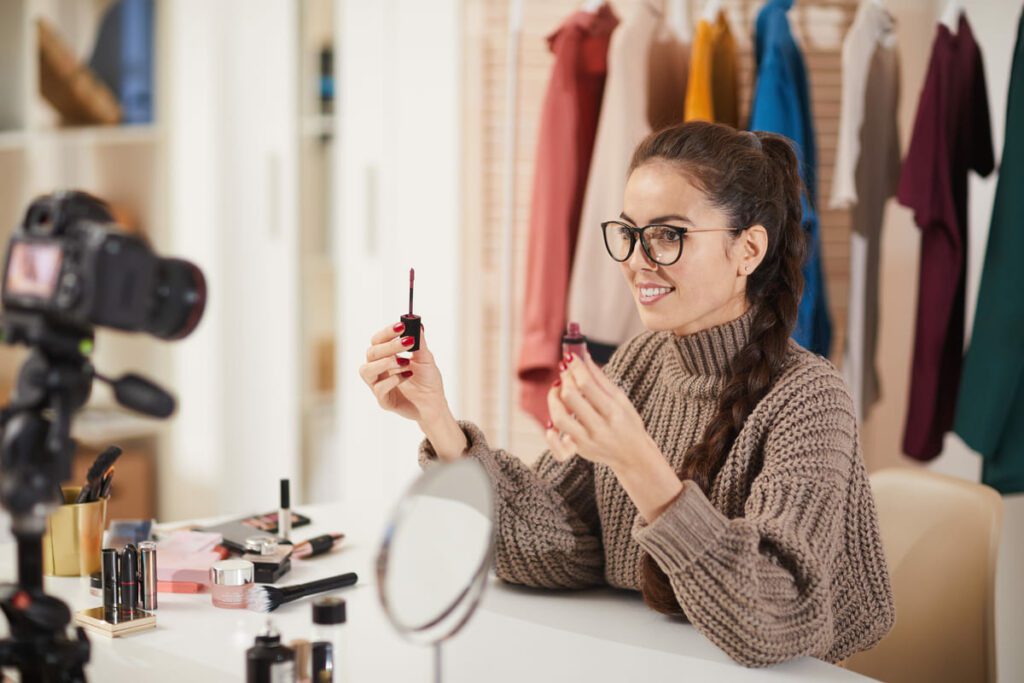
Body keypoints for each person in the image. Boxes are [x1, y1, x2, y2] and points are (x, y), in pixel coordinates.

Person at [358, 121, 894, 667]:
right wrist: (440, 424)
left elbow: (775, 621)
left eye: (668, 234)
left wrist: (639, 463)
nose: (638, 260)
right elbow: (553, 548)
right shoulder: (639, 361)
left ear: (748, 250)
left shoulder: (810, 398)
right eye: (630, 232)